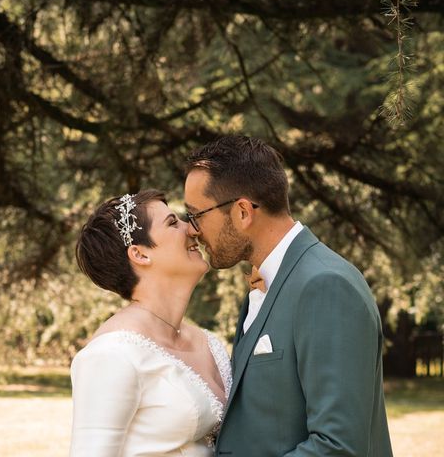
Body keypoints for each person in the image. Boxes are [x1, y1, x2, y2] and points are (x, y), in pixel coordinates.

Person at [183, 134, 393, 456]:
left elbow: (338, 447)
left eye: (197, 214)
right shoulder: (267, 280)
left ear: (242, 212)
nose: (192, 229)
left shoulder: (325, 286)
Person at [70, 189, 232, 456]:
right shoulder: (112, 355)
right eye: (172, 222)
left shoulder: (209, 343)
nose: (192, 229)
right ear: (140, 255)